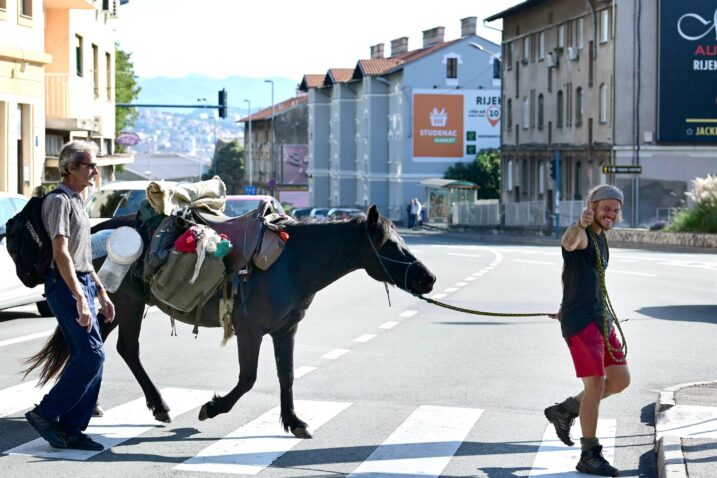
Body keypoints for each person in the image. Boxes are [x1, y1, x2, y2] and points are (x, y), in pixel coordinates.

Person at [24, 140, 115, 451]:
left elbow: (82, 256)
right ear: (70, 168)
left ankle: (72, 429)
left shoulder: (77, 200)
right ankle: (45, 414)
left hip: (83, 283)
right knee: (91, 355)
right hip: (64, 286)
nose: (95, 170)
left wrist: (100, 292)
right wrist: (79, 296)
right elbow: (61, 254)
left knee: (94, 358)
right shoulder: (59, 202)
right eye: (89, 164)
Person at [544, 184, 630, 477]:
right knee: (596, 385)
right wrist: (578, 223)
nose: (612, 214)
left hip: (600, 317)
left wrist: (563, 302)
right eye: (606, 208)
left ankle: (565, 410)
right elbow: (569, 243)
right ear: (591, 206)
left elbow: (569, 274)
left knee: (619, 380)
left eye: (616, 210)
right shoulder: (582, 234)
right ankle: (589, 454)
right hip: (582, 323)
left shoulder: (601, 238)